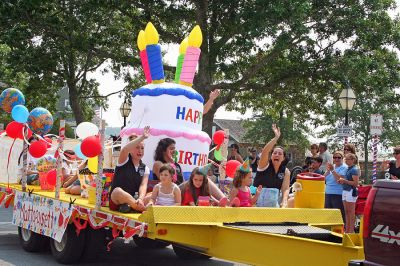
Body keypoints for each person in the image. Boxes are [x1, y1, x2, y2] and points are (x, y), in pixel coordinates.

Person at [153, 138, 226, 200]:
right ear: (163, 151)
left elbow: (183, 182)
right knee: (202, 178)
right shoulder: (158, 163)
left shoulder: (176, 164)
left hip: (179, 191)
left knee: (203, 179)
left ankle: (221, 201)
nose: (174, 151)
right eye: (171, 149)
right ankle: (222, 199)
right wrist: (171, 164)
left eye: (174, 149)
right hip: (170, 192)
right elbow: (166, 181)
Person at [109, 127, 150, 213]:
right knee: (117, 191)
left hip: (136, 199)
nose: (140, 151)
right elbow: (124, 149)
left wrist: (141, 198)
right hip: (117, 199)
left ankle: (133, 206)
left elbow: (143, 185)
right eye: (137, 147)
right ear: (131, 150)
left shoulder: (145, 168)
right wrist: (142, 137)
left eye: (142, 148)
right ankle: (141, 208)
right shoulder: (124, 160)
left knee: (154, 193)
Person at [253, 124, 290, 208]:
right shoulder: (264, 165)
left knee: (292, 200)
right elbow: (265, 151)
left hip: (273, 203)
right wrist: (276, 138)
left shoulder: (286, 171)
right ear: (271, 155)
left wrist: (284, 202)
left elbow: (285, 189)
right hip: (256, 202)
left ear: (283, 158)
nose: (276, 155)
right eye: (274, 153)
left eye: (280, 154)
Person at [339, 153, 360, 233]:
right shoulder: (348, 168)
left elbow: (355, 183)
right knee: (347, 211)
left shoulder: (354, 169)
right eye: (345, 159)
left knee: (351, 212)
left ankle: (351, 231)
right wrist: (343, 181)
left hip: (351, 191)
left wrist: (344, 181)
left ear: (353, 160)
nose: (346, 160)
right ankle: (347, 230)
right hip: (345, 190)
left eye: (347, 159)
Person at [325, 151, 347, 222]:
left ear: (342, 158)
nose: (336, 159)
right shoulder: (332, 167)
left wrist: (333, 170)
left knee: (338, 215)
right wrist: (328, 171)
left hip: (338, 194)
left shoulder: (344, 167)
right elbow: (323, 179)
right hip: (328, 193)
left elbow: (339, 180)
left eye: (338, 157)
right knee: (328, 215)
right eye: (334, 157)